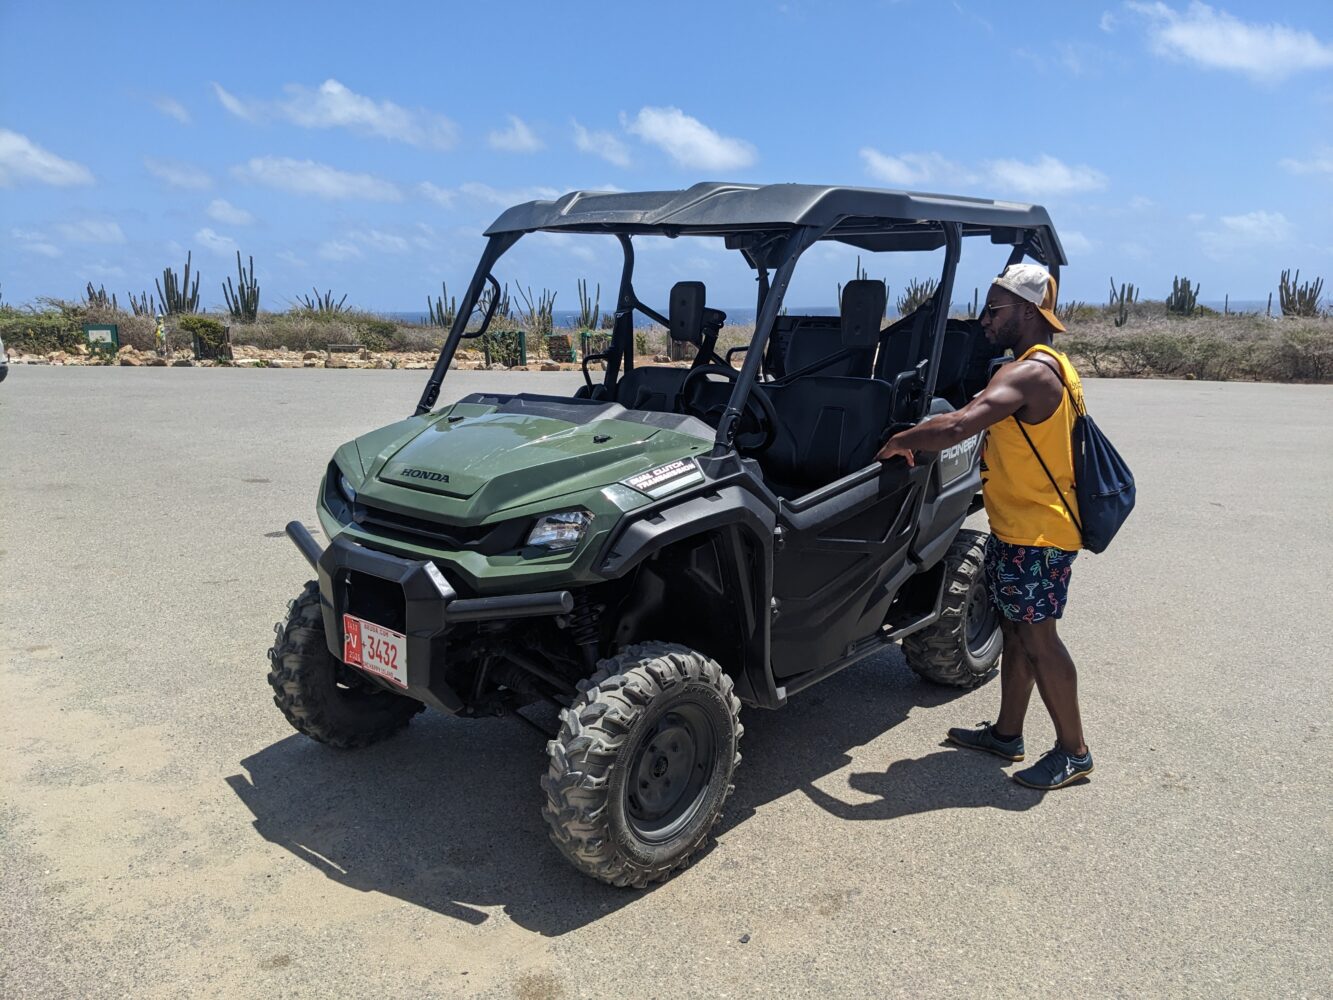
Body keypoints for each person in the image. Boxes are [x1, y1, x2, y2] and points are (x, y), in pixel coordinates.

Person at [875, 263, 1093, 791]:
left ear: (1026, 311)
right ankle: (1006, 734)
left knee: (1041, 641)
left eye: (993, 311)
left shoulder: (1029, 373)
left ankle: (1074, 751)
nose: (984, 321)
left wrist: (902, 439)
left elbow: (959, 424)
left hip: (1040, 534)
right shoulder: (1051, 366)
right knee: (1017, 633)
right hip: (1020, 526)